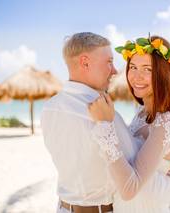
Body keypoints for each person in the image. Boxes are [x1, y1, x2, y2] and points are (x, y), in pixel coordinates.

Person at [89, 36, 170, 213]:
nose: (137, 76)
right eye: (133, 67)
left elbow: (130, 189)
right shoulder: (141, 111)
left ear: (163, 74)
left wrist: (104, 124)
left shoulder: (166, 121)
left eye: (147, 69)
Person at [41, 32, 132, 213]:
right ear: (85, 62)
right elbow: (130, 170)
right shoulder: (104, 113)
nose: (114, 70)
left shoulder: (48, 108)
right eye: (109, 62)